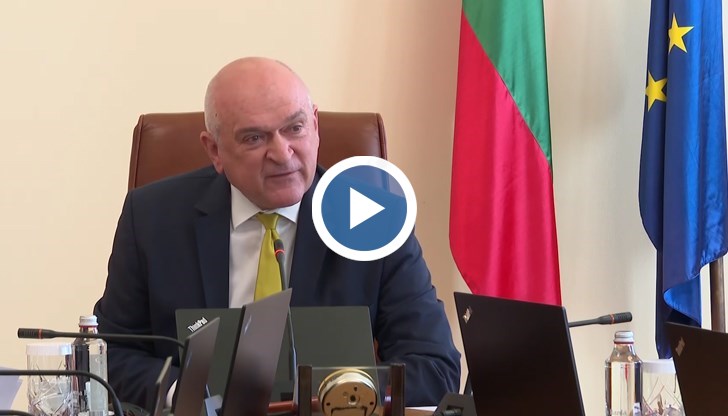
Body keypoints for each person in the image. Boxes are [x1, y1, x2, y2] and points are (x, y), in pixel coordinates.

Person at [93, 57, 460, 409]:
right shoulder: (153, 218)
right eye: (254, 138)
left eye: (295, 128)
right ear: (214, 150)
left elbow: (434, 368)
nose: (283, 154)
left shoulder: (373, 220)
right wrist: (187, 394)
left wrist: (331, 397)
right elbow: (111, 355)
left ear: (315, 125)